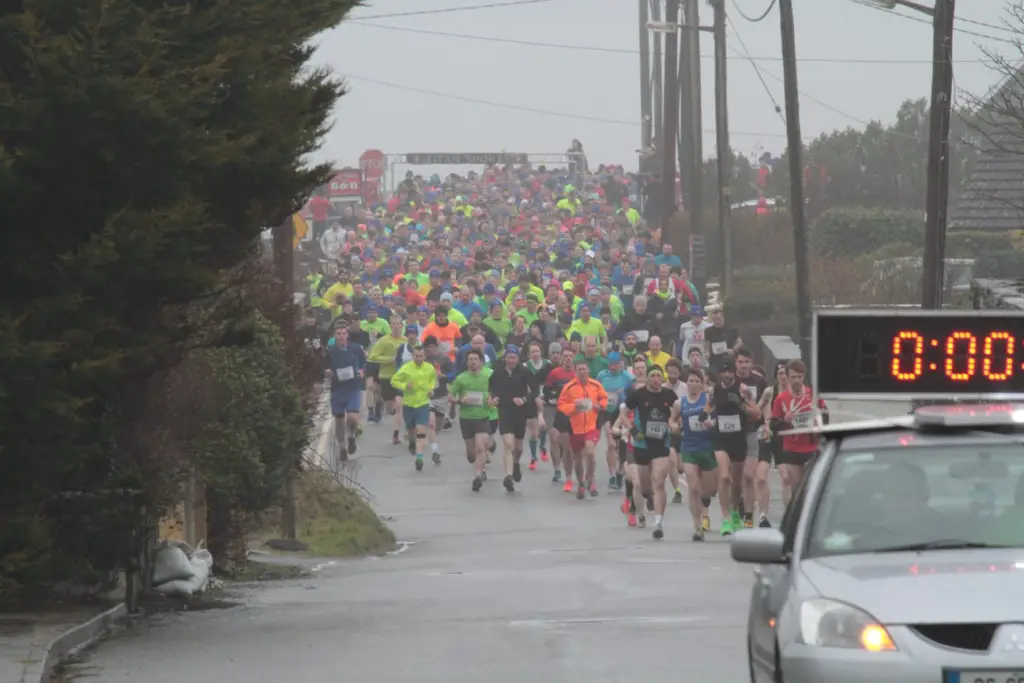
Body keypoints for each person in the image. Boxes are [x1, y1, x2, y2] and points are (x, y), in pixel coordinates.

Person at [624, 365, 677, 539]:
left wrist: (673, 424)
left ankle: (658, 522)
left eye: (658, 376)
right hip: (642, 444)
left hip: (662, 443)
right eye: (652, 375)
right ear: (647, 378)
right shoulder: (637, 395)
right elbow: (624, 414)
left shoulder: (669, 395)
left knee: (659, 481)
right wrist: (633, 431)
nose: (655, 379)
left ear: (662, 378)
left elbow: (677, 413)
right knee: (646, 487)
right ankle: (648, 496)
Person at [671, 367, 717, 540]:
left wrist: (712, 423)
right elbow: (672, 419)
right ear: (687, 382)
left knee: (709, 490)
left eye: (697, 381)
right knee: (693, 487)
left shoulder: (708, 400)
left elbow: (717, 416)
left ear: (702, 383)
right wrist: (673, 426)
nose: (693, 384)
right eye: (690, 380)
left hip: (707, 447)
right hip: (689, 448)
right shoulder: (679, 403)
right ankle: (697, 525)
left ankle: (706, 508)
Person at [488, 345, 538, 492]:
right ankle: (508, 476)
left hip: (519, 412)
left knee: (518, 448)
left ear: (518, 358)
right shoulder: (497, 373)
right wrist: (493, 398)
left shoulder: (524, 372)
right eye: (509, 357)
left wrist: (524, 399)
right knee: (508, 444)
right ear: (505, 358)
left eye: (514, 357)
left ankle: (515, 464)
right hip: (504, 410)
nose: (511, 360)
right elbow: (491, 388)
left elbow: (535, 390)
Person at [558, 358, 609, 499]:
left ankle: (591, 480)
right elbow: (561, 405)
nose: (582, 372)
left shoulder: (596, 385)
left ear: (588, 371)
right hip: (575, 426)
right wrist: (574, 407)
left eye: (584, 369)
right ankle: (581, 482)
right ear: (575, 371)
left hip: (592, 425)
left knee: (590, 452)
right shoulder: (569, 387)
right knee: (578, 457)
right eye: (579, 369)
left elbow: (604, 398)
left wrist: (601, 405)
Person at [450, 349, 495, 492]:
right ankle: (491, 443)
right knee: (471, 455)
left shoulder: (489, 375)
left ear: (481, 361)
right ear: (466, 362)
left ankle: (477, 476)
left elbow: (498, 391)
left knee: (480, 447)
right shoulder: (461, 378)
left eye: (476, 359)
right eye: (470, 359)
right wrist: (459, 400)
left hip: (483, 416)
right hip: (466, 418)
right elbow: (451, 396)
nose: (473, 362)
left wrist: (492, 399)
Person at [389, 344, 438, 471]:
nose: (419, 358)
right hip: (409, 404)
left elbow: (433, 380)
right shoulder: (406, 368)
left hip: (423, 403)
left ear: (425, 356)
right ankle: (411, 441)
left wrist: (431, 390)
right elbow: (394, 380)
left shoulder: (429, 368)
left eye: (421, 356)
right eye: (416, 356)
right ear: (412, 356)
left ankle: (419, 458)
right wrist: (405, 386)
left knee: (421, 431)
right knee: (411, 430)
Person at [323, 325, 365, 462]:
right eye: (338, 334)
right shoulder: (330, 352)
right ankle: (342, 447)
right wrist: (327, 372)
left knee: (352, 417)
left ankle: (351, 436)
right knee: (339, 421)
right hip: (337, 389)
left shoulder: (355, 348)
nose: (341, 336)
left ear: (348, 335)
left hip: (353, 387)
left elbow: (365, 363)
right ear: (335, 336)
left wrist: (362, 371)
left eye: (343, 333)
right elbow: (324, 367)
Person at [596, 351, 634, 490]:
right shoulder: (601, 376)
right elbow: (596, 392)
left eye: (615, 365)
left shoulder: (628, 378)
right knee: (612, 443)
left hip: (621, 412)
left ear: (620, 364)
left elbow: (632, 397)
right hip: (606, 413)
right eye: (611, 365)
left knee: (621, 445)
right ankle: (612, 475)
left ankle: (619, 471)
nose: (613, 367)